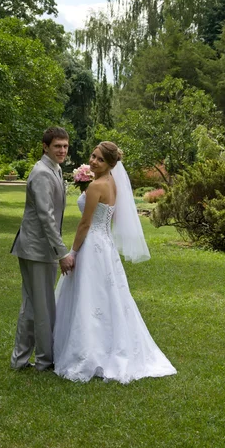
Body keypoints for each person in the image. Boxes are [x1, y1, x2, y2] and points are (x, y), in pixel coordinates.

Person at [54, 141, 177, 383]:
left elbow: (85, 224)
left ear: (111, 163)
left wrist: (73, 253)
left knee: (89, 297)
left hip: (91, 246)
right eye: (93, 156)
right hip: (106, 246)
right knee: (108, 297)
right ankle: (109, 345)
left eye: (99, 159)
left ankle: (88, 351)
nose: (93, 161)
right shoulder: (112, 183)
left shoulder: (96, 186)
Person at [10, 126, 75, 371]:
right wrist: (62, 252)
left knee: (32, 304)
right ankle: (45, 360)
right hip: (36, 249)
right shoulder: (41, 173)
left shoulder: (55, 169)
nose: (62, 150)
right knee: (43, 305)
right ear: (45, 146)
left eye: (65, 146)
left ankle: (20, 360)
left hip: (38, 248)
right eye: (57, 146)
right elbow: (46, 217)